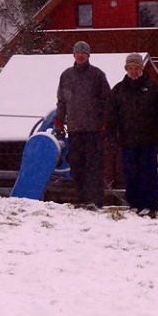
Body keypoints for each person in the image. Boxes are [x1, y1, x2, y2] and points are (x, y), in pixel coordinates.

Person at [106, 53, 158, 218]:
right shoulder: (118, 90)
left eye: (137, 68)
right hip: (127, 140)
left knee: (148, 172)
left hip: (149, 140)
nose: (134, 71)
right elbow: (111, 115)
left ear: (141, 69)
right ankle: (134, 204)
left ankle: (151, 205)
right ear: (126, 69)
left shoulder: (154, 88)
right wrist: (112, 134)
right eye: (131, 68)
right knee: (130, 173)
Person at [54, 41, 110, 208]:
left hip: (94, 129)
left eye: (84, 52)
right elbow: (61, 101)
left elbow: (107, 101)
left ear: (88, 55)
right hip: (74, 129)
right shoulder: (66, 75)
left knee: (93, 166)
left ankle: (96, 200)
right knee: (77, 165)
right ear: (74, 55)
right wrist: (59, 120)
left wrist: (105, 122)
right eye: (78, 52)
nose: (80, 55)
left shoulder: (98, 75)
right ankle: (82, 199)